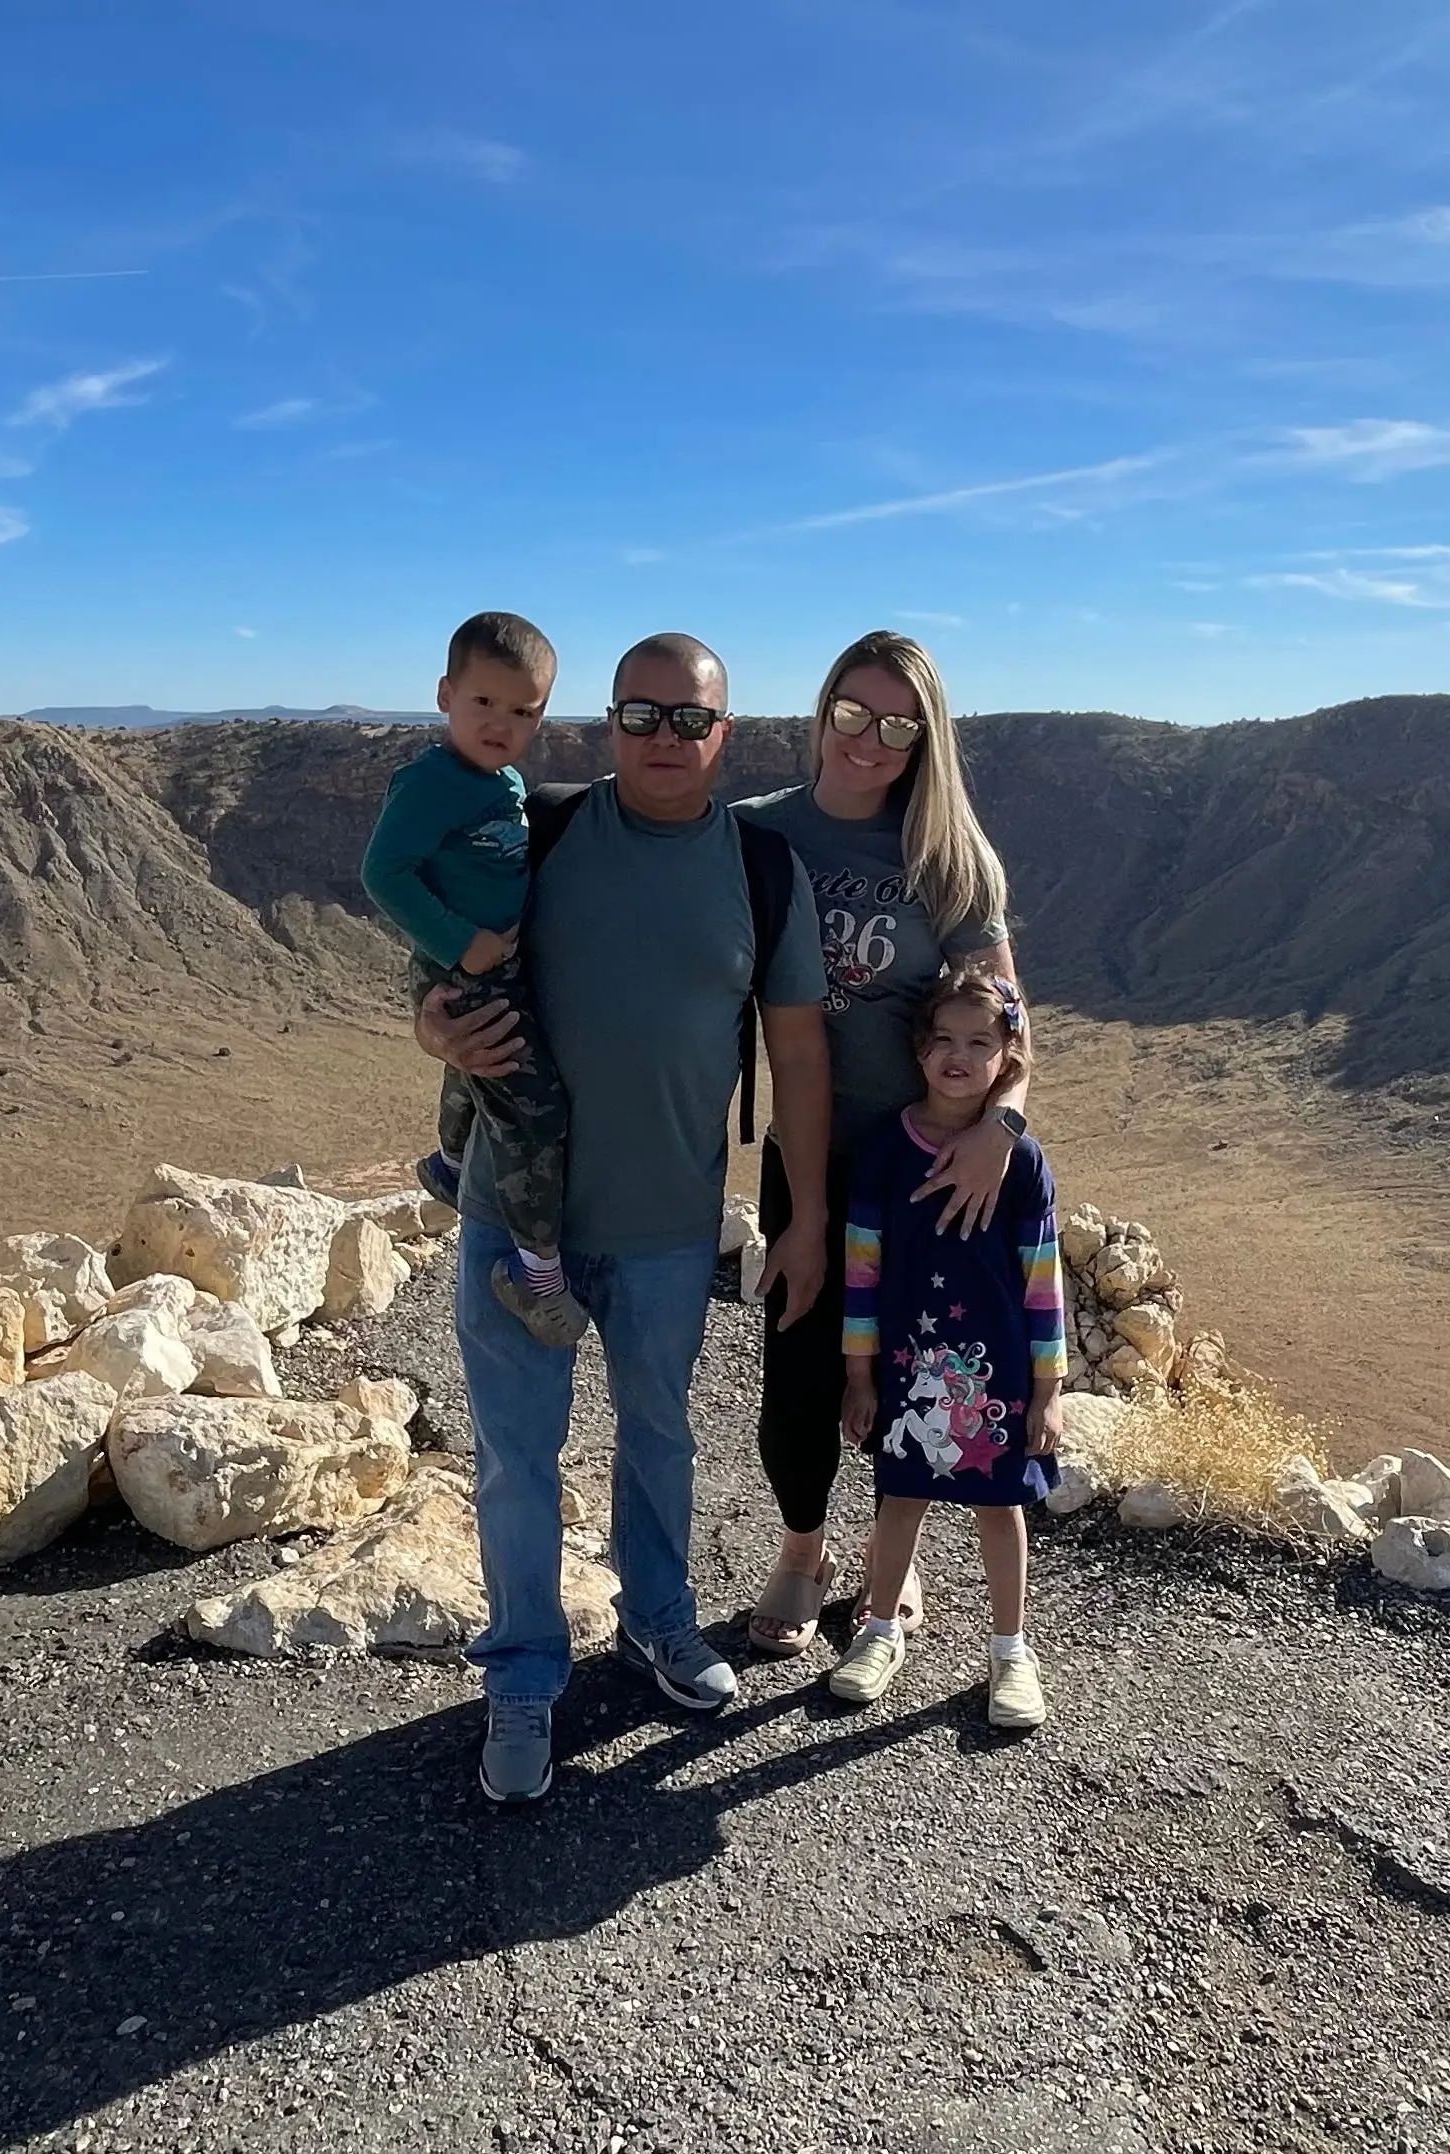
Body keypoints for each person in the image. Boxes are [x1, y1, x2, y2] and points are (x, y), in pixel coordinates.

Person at [416, 631, 833, 1805]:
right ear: (606, 725)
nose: (663, 739)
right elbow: (441, 973)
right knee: (515, 1461)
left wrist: (804, 1224)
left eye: (686, 720)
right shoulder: (535, 832)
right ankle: (522, 1674)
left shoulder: (761, 867)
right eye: (638, 716)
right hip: (516, 1215)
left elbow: (799, 1059)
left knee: (660, 1438)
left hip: (665, 1228)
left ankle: (656, 1623)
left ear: (723, 734)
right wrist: (433, 1032)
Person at [731, 631, 1027, 1656]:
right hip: (803, 1156)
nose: (869, 739)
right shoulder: (756, 834)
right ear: (820, 712)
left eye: (897, 724)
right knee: (799, 1365)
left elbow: (1010, 1026)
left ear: (922, 739)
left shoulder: (947, 859)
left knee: (912, 1372)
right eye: (851, 713)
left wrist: (1000, 1125)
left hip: (923, 1170)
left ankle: (887, 1568)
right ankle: (802, 1550)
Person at [827, 964, 1064, 1728]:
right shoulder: (884, 1153)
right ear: (918, 1049)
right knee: (902, 1499)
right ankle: (879, 1629)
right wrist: (858, 1376)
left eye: (979, 1042)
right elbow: (860, 1273)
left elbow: (1042, 1282)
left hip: (1000, 1380)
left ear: (1008, 1058)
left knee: (1002, 1510)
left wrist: (1050, 1389)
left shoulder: (1021, 1163)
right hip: (908, 1371)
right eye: (943, 1040)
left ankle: (1010, 1651)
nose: (958, 1057)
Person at [358, 610, 585, 1349]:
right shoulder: (432, 782)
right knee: (533, 1110)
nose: (501, 723)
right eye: (484, 702)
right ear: (445, 695)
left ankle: (451, 1165)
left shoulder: (505, 781)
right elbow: (383, 872)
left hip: (494, 963)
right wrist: (463, 946)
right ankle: (538, 1280)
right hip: (465, 966)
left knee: (474, 1072)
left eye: (523, 710)